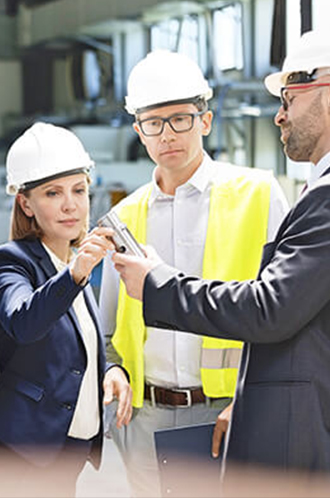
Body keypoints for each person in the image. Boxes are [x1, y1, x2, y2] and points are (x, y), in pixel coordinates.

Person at [112, 30, 330, 475]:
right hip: (146, 414)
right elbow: (112, 330)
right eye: (153, 122)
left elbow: (271, 307)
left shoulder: (260, 192)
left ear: (205, 120)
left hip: (233, 412)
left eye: (288, 99)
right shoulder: (126, 212)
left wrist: (159, 286)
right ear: (139, 130)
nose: (279, 116)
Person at [0, 122, 132, 498]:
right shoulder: (14, 262)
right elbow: (24, 322)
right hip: (26, 453)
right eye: (53, 193)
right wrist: (76, 273)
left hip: (68, 449)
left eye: (79, 190)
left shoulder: (70, 264)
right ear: (25, 203)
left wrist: (109, 371)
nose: (70, 204)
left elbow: (75, 347)